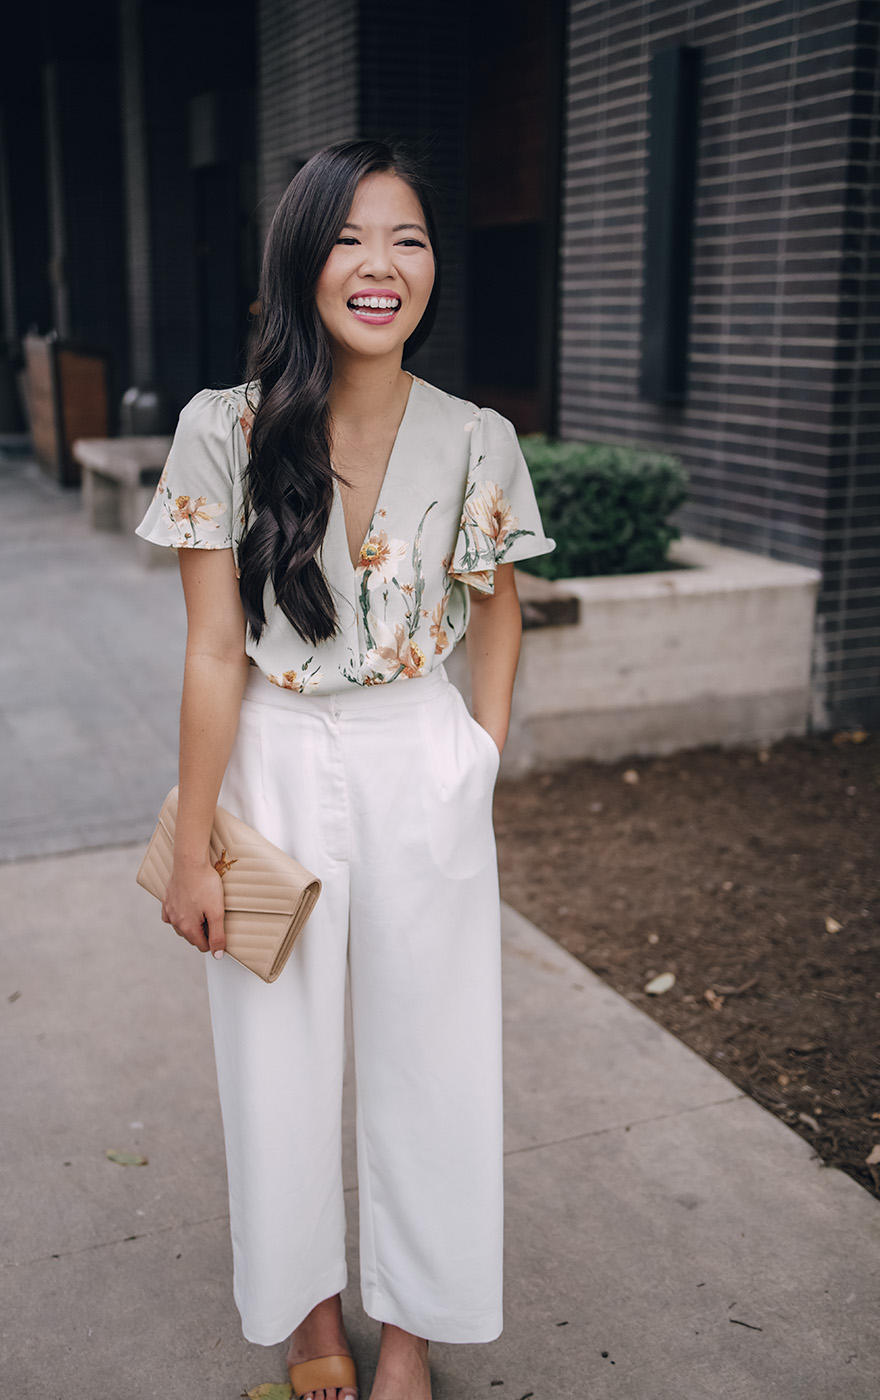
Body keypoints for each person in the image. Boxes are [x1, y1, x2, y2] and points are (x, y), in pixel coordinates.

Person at [135, 139, 555, 1400]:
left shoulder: (477, 435)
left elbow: (501, 607)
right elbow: (214, 649)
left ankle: (413, 1337)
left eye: (409, 239)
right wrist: (198, 840)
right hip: (270, 753)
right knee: (274, 1052)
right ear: (301, 260)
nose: (380, 265)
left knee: (436, 1055)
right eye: (350, 237)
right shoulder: (224, 427)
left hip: (420, 753)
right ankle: (311, 1317)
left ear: (433, 267)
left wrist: (472, 755)